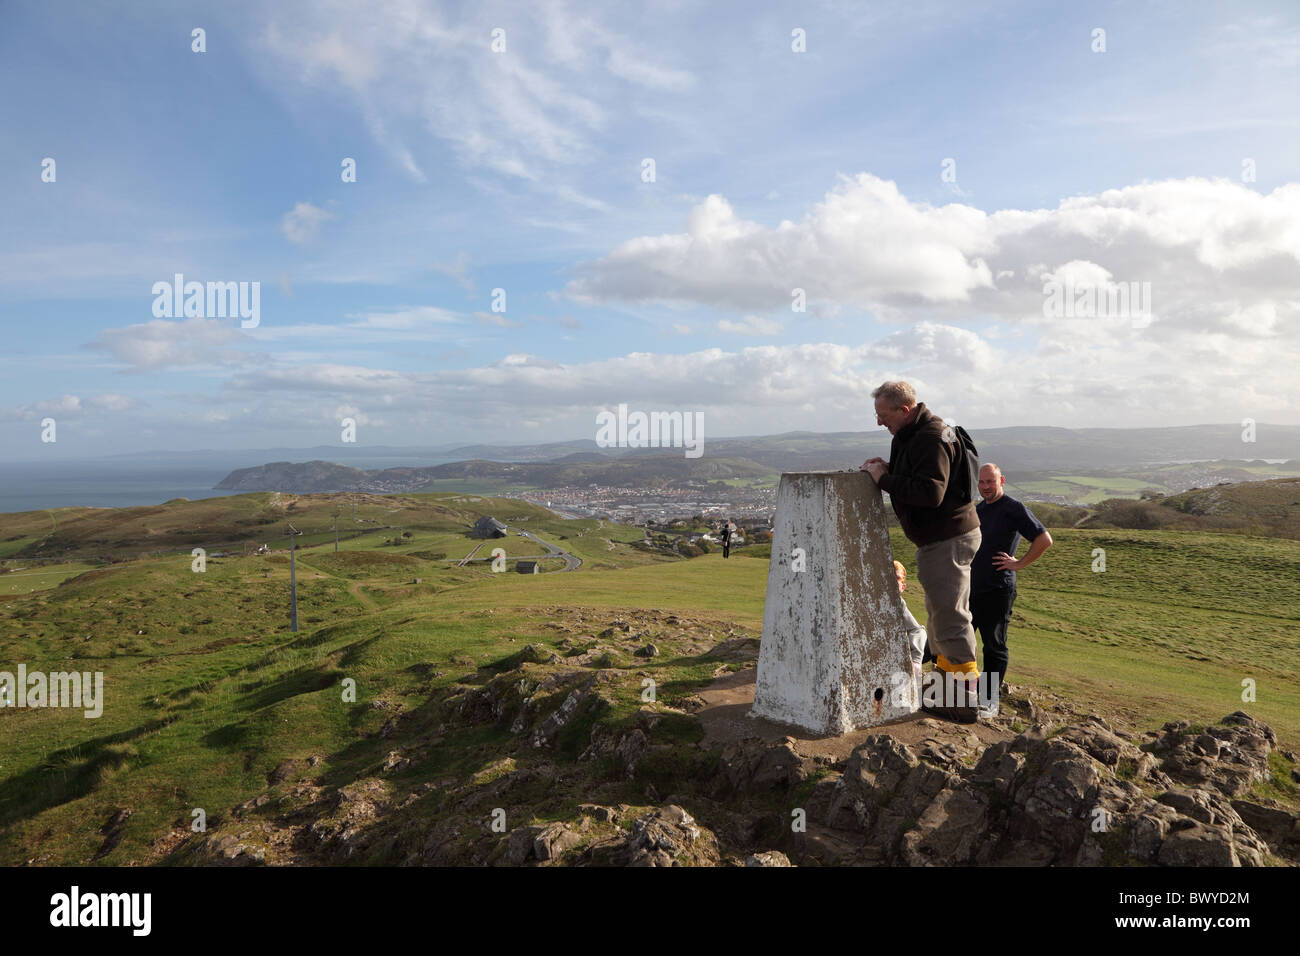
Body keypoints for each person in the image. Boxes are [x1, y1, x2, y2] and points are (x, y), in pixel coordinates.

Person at [861, 380, 982, 722]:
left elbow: (931, 493)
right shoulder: (916, 433)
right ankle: (945, 691)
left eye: (883, 415)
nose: (879, 422)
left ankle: (961, 702)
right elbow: (922, 475)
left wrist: (883, 479)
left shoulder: (930, 437)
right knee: (940, 616)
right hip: (942, 539)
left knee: (952, 619)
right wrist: (887, 469)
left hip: (947, 540)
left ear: (904, 409)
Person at [971, 463, 1052, 714]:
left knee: (994, 646)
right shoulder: (978, 509)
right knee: (958, 640)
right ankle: (952, 695)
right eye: (982, 482)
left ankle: (988, 702)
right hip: (972, 588)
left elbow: (1044, 539)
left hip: (998, 589)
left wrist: (1019, 563)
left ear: (1001, 480)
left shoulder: (1013, 508)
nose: (985, 486)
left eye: (990, 482)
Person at [894, 560, 927, 680]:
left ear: (903, 587)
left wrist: (916, 660)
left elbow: (917, 630)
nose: (892, 580)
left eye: (897, 578)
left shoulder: (899, 603)